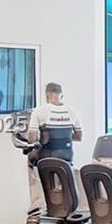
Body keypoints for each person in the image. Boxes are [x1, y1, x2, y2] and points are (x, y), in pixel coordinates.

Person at [27, 82, 83, 212]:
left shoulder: (39, 111)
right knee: (63, 175)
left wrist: (42, 137)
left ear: (47, 95)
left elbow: (32, 138)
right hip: (67, 157)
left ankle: (37, 202)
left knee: (30, 158)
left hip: (46, 156)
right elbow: (79, 137)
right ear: (61, 95)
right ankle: (64, 204)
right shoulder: (73, 111)